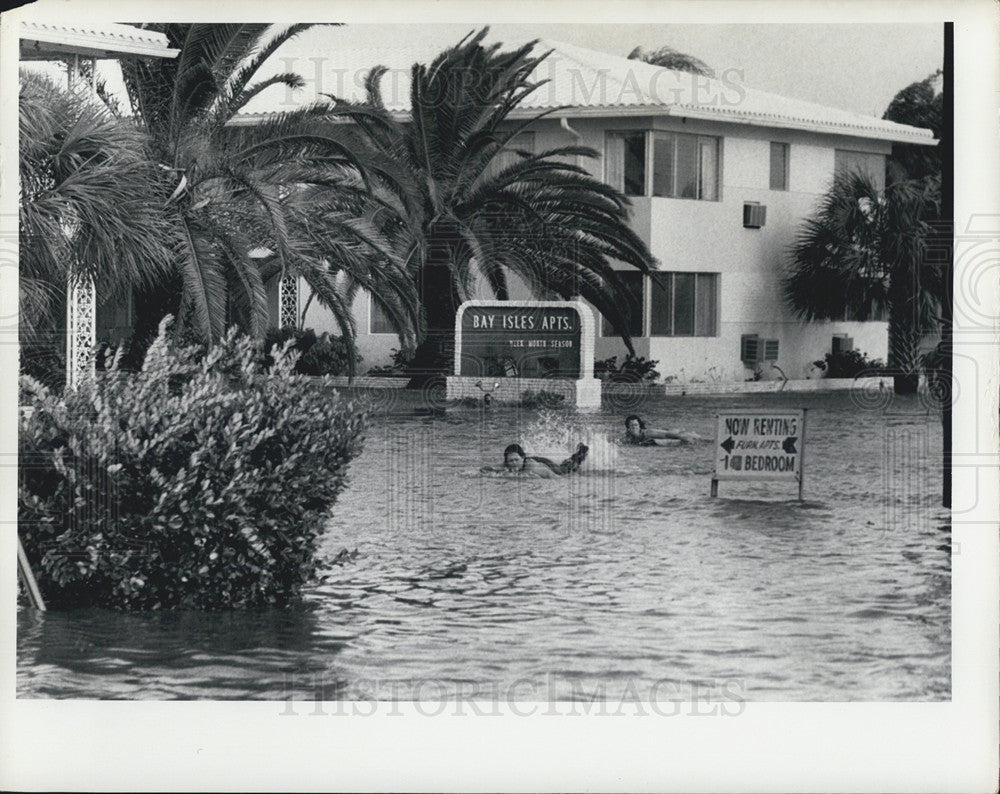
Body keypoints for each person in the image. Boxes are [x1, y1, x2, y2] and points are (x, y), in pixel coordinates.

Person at [481, 443, 589, 478]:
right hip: (532, 460)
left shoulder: (532, 467)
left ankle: (581, 453)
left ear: (522, 458)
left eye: (516, 460)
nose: (514, 463)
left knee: (564, 469)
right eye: (510, 461)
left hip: (544, 463)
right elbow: (487, 469)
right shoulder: (506, 465)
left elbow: (554, 477)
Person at [624, 414, 701, 445]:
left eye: (636, 425)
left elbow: (667, 434)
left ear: (640, 426)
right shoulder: (628, 436)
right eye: (631, 426)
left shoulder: (648, 433)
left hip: (674, 433)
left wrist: (688, 438)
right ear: (628, 428)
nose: (634, 427)